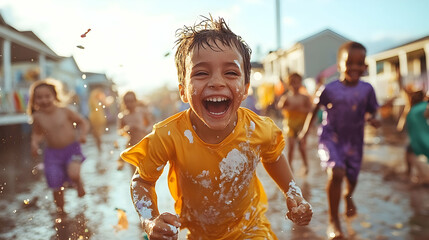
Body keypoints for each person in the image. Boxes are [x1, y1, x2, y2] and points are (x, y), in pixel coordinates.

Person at [120, 16, 313, 239]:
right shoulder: (169, 135)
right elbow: (142, 180)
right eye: (201, 73)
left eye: (231, 72)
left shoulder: (259, 129)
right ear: (183, 90)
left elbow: (273, 157)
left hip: (252, 228)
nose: (217, 82)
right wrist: (149, 219)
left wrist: (293, 192)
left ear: (245, 88)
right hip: (199, 234)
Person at [299, 41, 381, 239]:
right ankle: (333, 221)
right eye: (349, 63)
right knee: (336, 171)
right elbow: (314, 109)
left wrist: (373, 119)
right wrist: (304, 131)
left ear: (365, 66)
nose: (354, 67)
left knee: (352, 177)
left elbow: (373, 110)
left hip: (354, 140)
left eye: (359, 63)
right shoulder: (330, 89)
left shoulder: (367, 89)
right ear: (339, 65)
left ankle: (348, 196)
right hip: (331, 137)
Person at [28, 78, 89, 215]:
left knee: (73, 173)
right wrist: (34, 143)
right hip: (53, 154)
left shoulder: (65, 111)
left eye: (47, 96)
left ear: (55, 96)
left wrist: (83, 135)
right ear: (34, 100)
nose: (44, 100)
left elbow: (83, 122)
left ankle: (78, 182)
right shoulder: (38, 117)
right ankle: (61, 211)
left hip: (72, 149)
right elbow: (37, 133)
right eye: (39, 97)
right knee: (55, 183)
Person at [277, 73, 312, 175]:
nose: (295, 86)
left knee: (302, 146)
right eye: (292, 83)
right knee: (291, 146)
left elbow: (311, 110)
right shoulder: (287, 97)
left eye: (297, 83)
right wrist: (287, 108)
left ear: (300, 83)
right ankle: (289, 166)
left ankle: (305, 165)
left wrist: (302, 109)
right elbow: (280, 107)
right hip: (290, 124)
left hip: (302, 124)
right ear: (288, 85)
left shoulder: (304, 97)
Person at [117, 91, 153, 171]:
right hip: (131, 146)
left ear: (135, 101)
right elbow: (119, 132)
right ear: (123, 103)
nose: (129, 104)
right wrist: (126, 129)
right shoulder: (122, 116)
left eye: (131, 101)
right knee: (134, 172)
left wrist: (142, 129)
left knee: (148, 171)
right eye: (126, 101)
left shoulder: (142, 112)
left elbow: (151, 125)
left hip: (144, 144)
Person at [88, 88, 107, 153]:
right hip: (97, 119)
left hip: (97, 119)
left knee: (97, 135)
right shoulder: (94, 101)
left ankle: (100, 149)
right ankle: (100, 149)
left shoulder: (94, 100)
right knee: (97, 135)